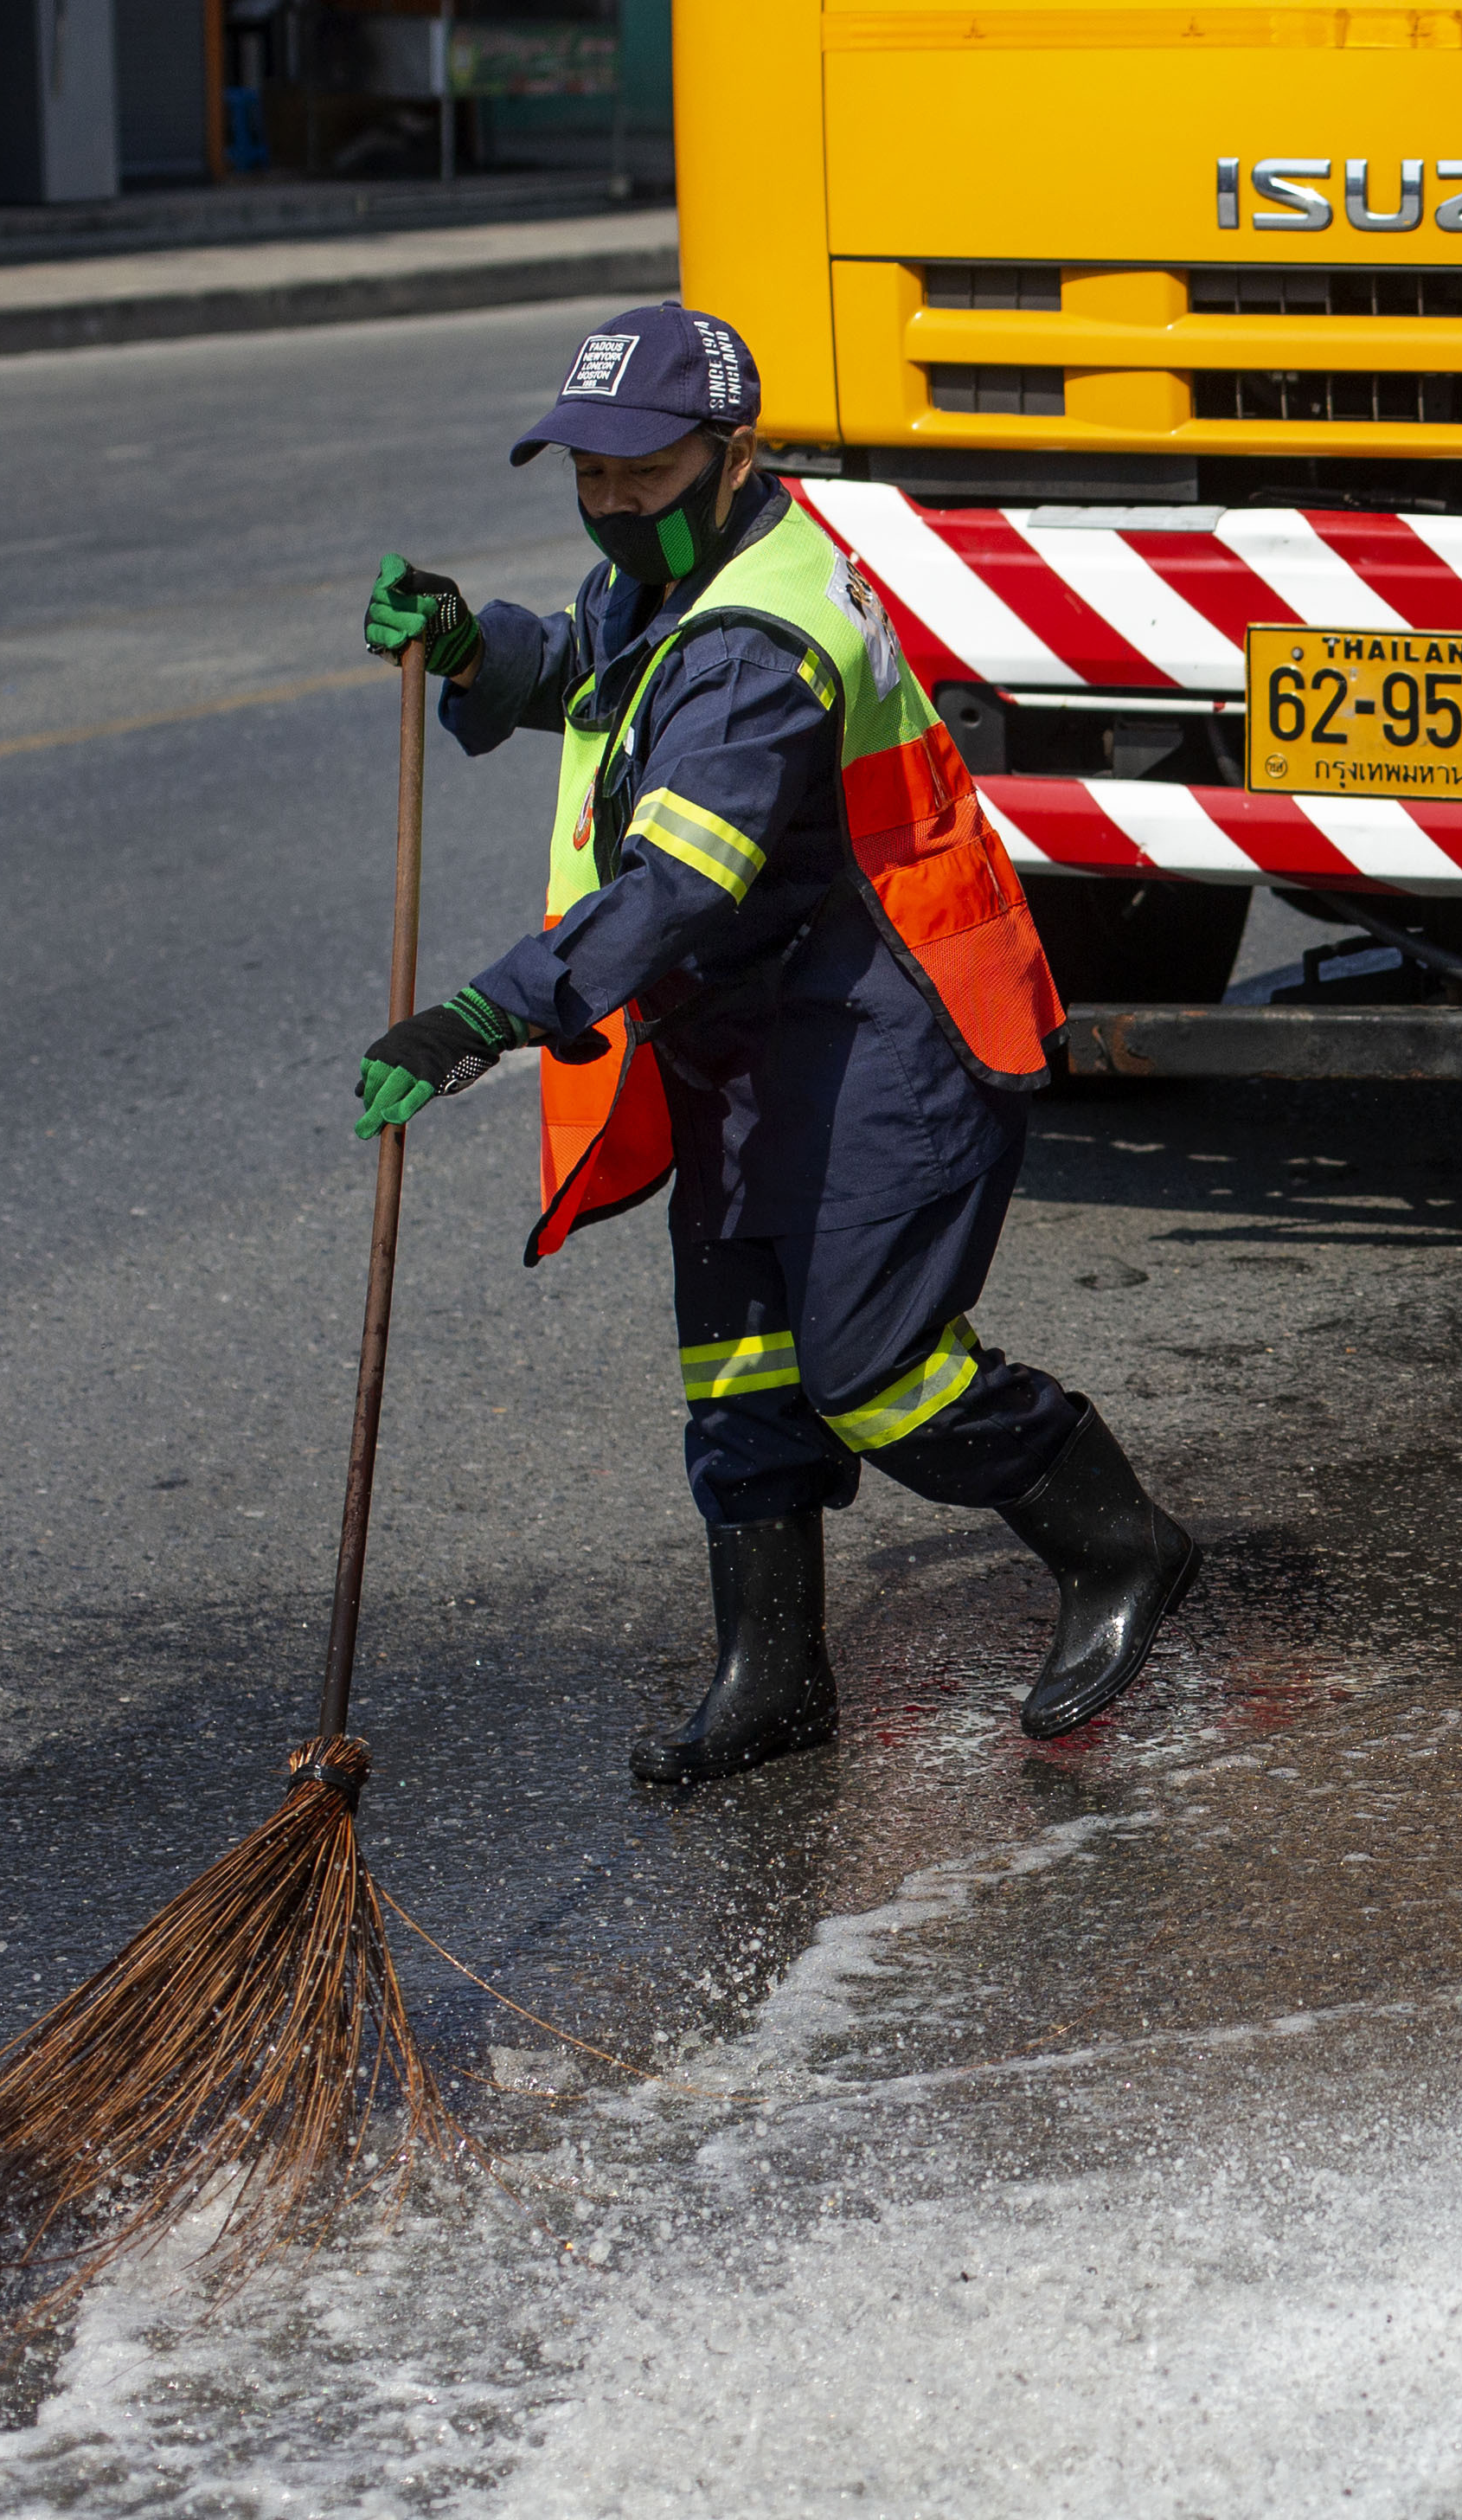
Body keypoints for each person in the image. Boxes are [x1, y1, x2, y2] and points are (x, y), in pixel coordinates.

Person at [353, 304, 1201, 1780]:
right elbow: (591, 676)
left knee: (876, 1374)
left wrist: (481, 1014)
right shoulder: (683, 577)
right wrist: (465, 643)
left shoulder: (763, 637)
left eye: (642, 469)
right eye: (586, 472)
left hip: (888, 1043)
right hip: (755, 1049)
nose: (612, 501)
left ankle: (1121, 1543)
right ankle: (774, 1675)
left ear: (731, 453)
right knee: (738, 1371)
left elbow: (681, 880)